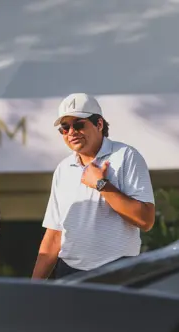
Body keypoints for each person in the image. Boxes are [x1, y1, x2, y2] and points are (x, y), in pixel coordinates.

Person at [32, 93, 155, 279]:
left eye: (78, 125)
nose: (71, 132)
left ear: (99, 124)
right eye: (65, 128)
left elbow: (145, 220)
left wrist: (101, 185)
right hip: (69, 273)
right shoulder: (63, 169)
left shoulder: (126, 156)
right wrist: (34, 287)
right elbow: (55, 234)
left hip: (117, 272)